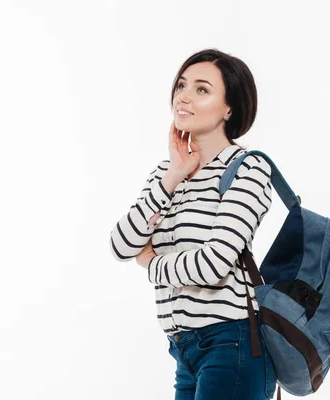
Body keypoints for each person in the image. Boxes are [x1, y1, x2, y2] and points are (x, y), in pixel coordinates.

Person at [109, 48, 278, 400]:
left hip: (230, 343)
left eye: (202, 89)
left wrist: (151, 263)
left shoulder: (247, 168)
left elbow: (213, 264)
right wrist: (174, 175)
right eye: (182, 85)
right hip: (183, 348)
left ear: (229, 108)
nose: (184, 96)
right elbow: (120, 245)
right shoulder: (166, 172)